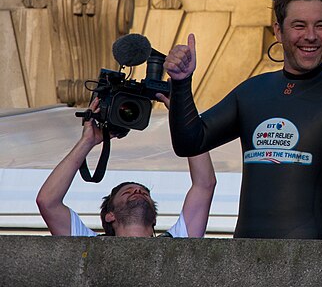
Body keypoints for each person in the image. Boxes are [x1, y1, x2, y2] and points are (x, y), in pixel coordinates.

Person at [164, 0, 322, 239]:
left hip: (314, 262)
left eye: (321, 26)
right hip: (245, 258)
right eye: (299, 25)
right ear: (279, 31)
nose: (310, 36)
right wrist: (181, 83)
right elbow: (190, 142)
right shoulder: (252, 91)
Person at [36, 96, 216, 237]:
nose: (138, 192)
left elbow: (205, 184)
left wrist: (182, 115)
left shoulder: (178, 241)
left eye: (144, 194)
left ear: (154, 218)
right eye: (128, 192)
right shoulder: (87, 244)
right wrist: (87, 141)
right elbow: (47, 201)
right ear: (110, 215)